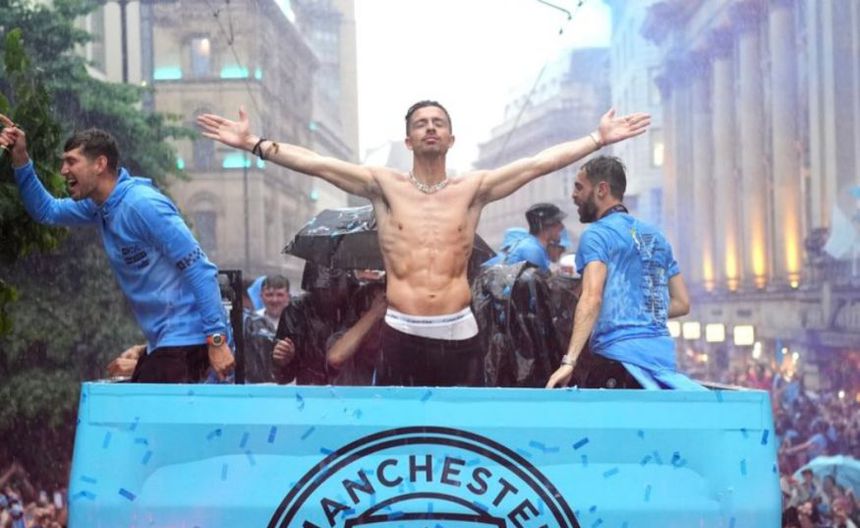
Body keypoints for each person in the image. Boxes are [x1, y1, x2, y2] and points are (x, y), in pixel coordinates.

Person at [199, 102, 649, 387]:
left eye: (438, 123)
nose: (430, 128)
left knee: (461, 438)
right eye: (421, 124)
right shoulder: (383, 185)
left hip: (460, 332)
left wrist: (597, 139)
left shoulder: (473, 188)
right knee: (402, 435)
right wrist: (254, 143)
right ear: (409, 139)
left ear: (450, 138)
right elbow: (316, 163)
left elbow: (536, 164)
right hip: (402, 332)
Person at [0, 117, 233, 383]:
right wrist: (20, 157)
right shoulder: (100, 206)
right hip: (167, 343)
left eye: (71, 161)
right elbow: (47, 211)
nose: (63, 170)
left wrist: (216, 339)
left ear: (100, 164)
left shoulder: (142, 205)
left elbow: (199, 268)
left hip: (190, 340)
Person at [546, 156, 699, 390]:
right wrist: (637, 311)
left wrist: (569, 361)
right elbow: (682, 303)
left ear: (602, 189)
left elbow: (592, 297)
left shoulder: (596, 235)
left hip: (617, 363)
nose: (573, 195)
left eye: (579, 187)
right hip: (662, 362)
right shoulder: (656, 236)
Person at [483, 203, 566, 272]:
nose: (562, 227)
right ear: (545, 226)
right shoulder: (532, 250)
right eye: (558, 222)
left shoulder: (531, 245)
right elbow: (540, 285)